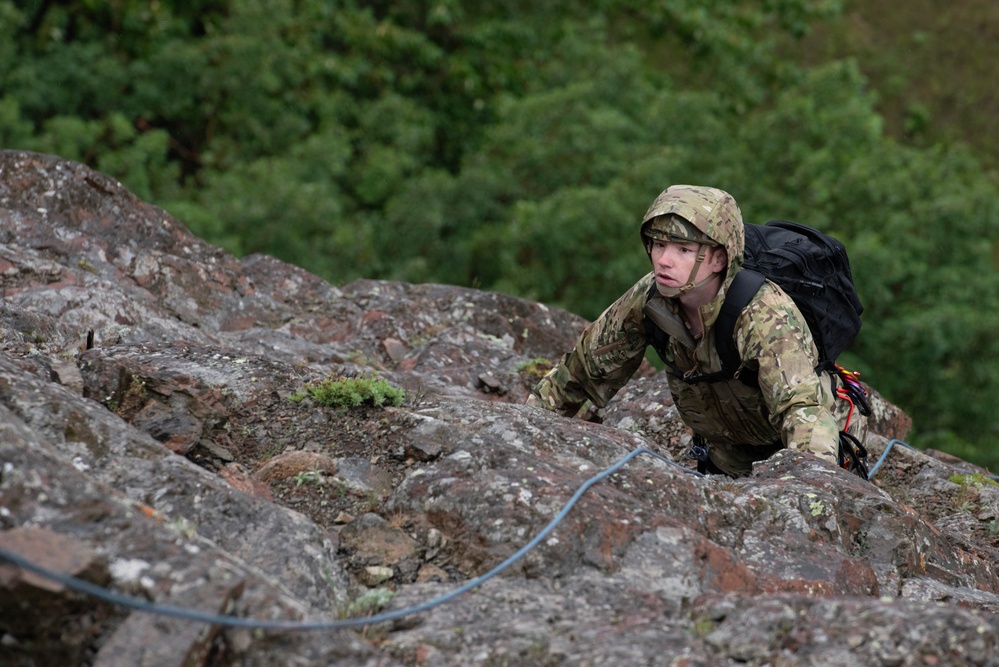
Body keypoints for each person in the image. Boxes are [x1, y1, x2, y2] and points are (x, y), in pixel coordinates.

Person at [527, 184, 868, 477]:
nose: (664, 259)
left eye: (683, 249)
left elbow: (803, 411)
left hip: (818, 448)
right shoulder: (649, 300)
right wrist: (527, 429)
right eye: (659, 245)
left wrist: (811, 488)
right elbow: (583, 371)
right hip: (726, 457)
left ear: (719, 259)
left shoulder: (763, 314)